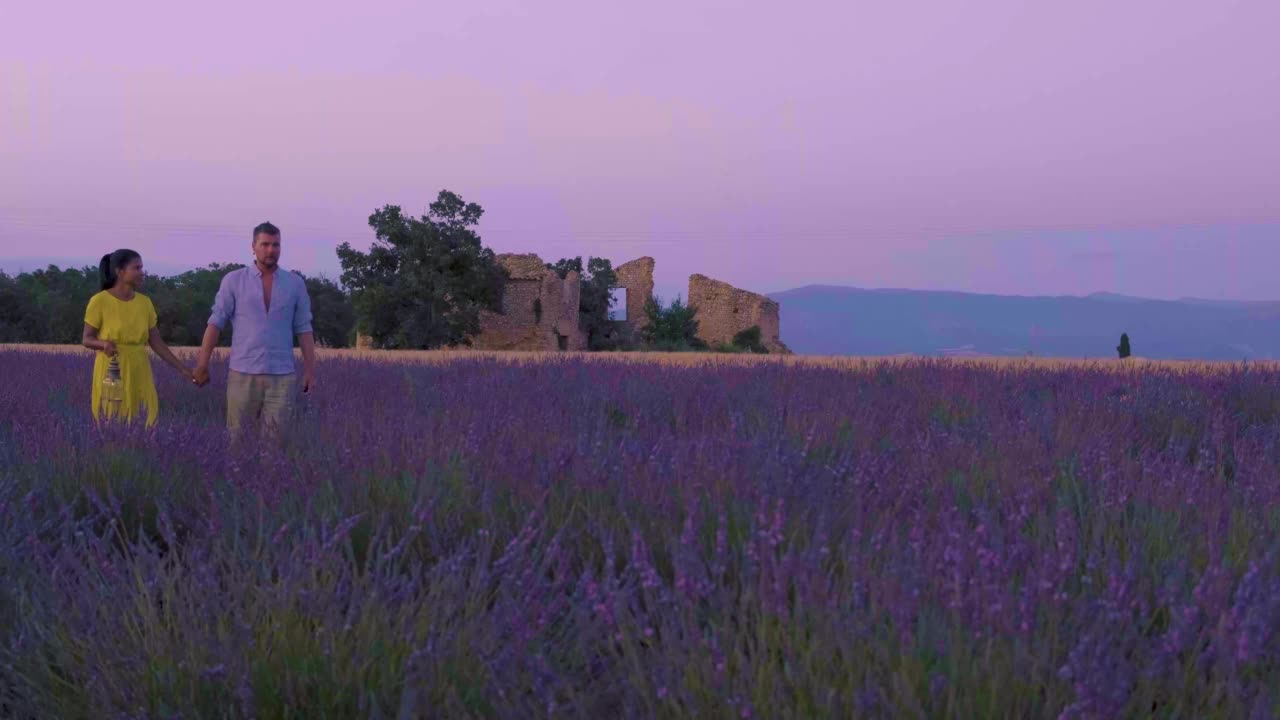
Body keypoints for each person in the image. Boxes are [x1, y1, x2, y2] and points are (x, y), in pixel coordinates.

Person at [192, 222, 316, 439]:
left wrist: (310, 371)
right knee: (237, 441)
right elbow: (215, 323)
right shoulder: (234, 280)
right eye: (265, 244)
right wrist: (202, 365)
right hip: (243, 373)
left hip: (282, 376)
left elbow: (304, 329)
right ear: (253, 247)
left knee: (276, 445)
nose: (271, 250)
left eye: (276, 245)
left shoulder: (295, 284)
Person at [81, 249, 196, 427]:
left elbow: (157, 343)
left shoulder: (145, 302)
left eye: (142, 268)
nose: (142, 273)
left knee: (145, 416)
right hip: (112, 369)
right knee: (112, 418)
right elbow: (87, 339)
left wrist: (182, 369)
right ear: (120, 271)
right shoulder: (99, 301)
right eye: (137, 268)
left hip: (139, 367)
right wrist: (102, 344)